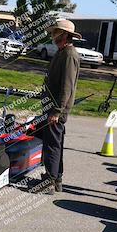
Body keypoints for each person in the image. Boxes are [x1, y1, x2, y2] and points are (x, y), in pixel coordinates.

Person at [39, 19, 81, 195]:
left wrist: (57, 110)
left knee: (52, 146)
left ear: (65, 35)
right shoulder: (62, 52)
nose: (52, 35)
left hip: (56, 110)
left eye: (56, 32)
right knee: (55, 144)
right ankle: (56, 179)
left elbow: (67, 87)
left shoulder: (69, 55)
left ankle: (49, 181)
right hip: (52, 108)